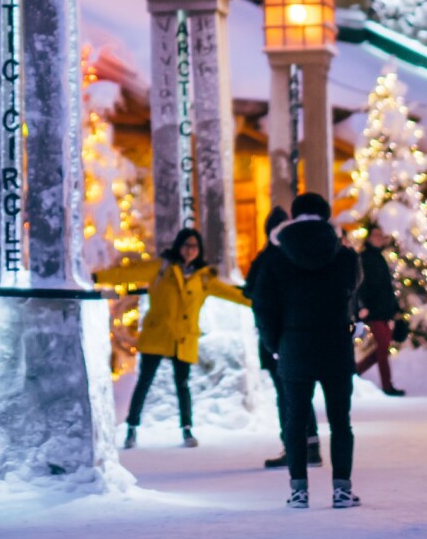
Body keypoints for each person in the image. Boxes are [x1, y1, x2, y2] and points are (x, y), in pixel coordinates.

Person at [250, 193, 362, 509]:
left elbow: (263, 305)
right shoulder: (344, 256)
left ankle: (298, 491)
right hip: (336, 345)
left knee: (295, 419)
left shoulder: (276, 257)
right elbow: (353, 294)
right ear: (326, 216)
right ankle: (342, 490)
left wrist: (275, 343)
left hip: (294, 345)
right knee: (341, 420)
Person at [95, 227, 248, 449]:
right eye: (186, 245)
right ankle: (132, 427)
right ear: (179, 246)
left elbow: (232, 294)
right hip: (158, 334)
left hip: (184, 338)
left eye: (194, 246)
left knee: (183, 384)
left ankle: (187, 429)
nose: (190, 250)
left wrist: (260, 301)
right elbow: (128, 274)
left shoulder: (203, 277)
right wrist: (97, 277)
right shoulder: (162, 267)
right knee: (144, 382)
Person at [245, 206, 319, 469]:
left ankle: (295, 447)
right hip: (298, 335)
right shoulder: (296, 254)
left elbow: (252, 290)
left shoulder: (270, 259)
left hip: (278, 336)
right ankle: (310, 445)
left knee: (287, 395)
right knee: (299, 392)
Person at [354, 232, 408, 396]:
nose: (381, 239)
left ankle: (355, 372)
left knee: (382, 348)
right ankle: (386, 385)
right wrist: (363, 306)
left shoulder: (378, 257)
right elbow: (362, 284)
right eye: (377, 236)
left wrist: (395, 308)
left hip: (383, 309)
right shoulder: (365, 258)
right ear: (370, 238)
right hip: (374, 309)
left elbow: (386, 287)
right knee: (383, 347)